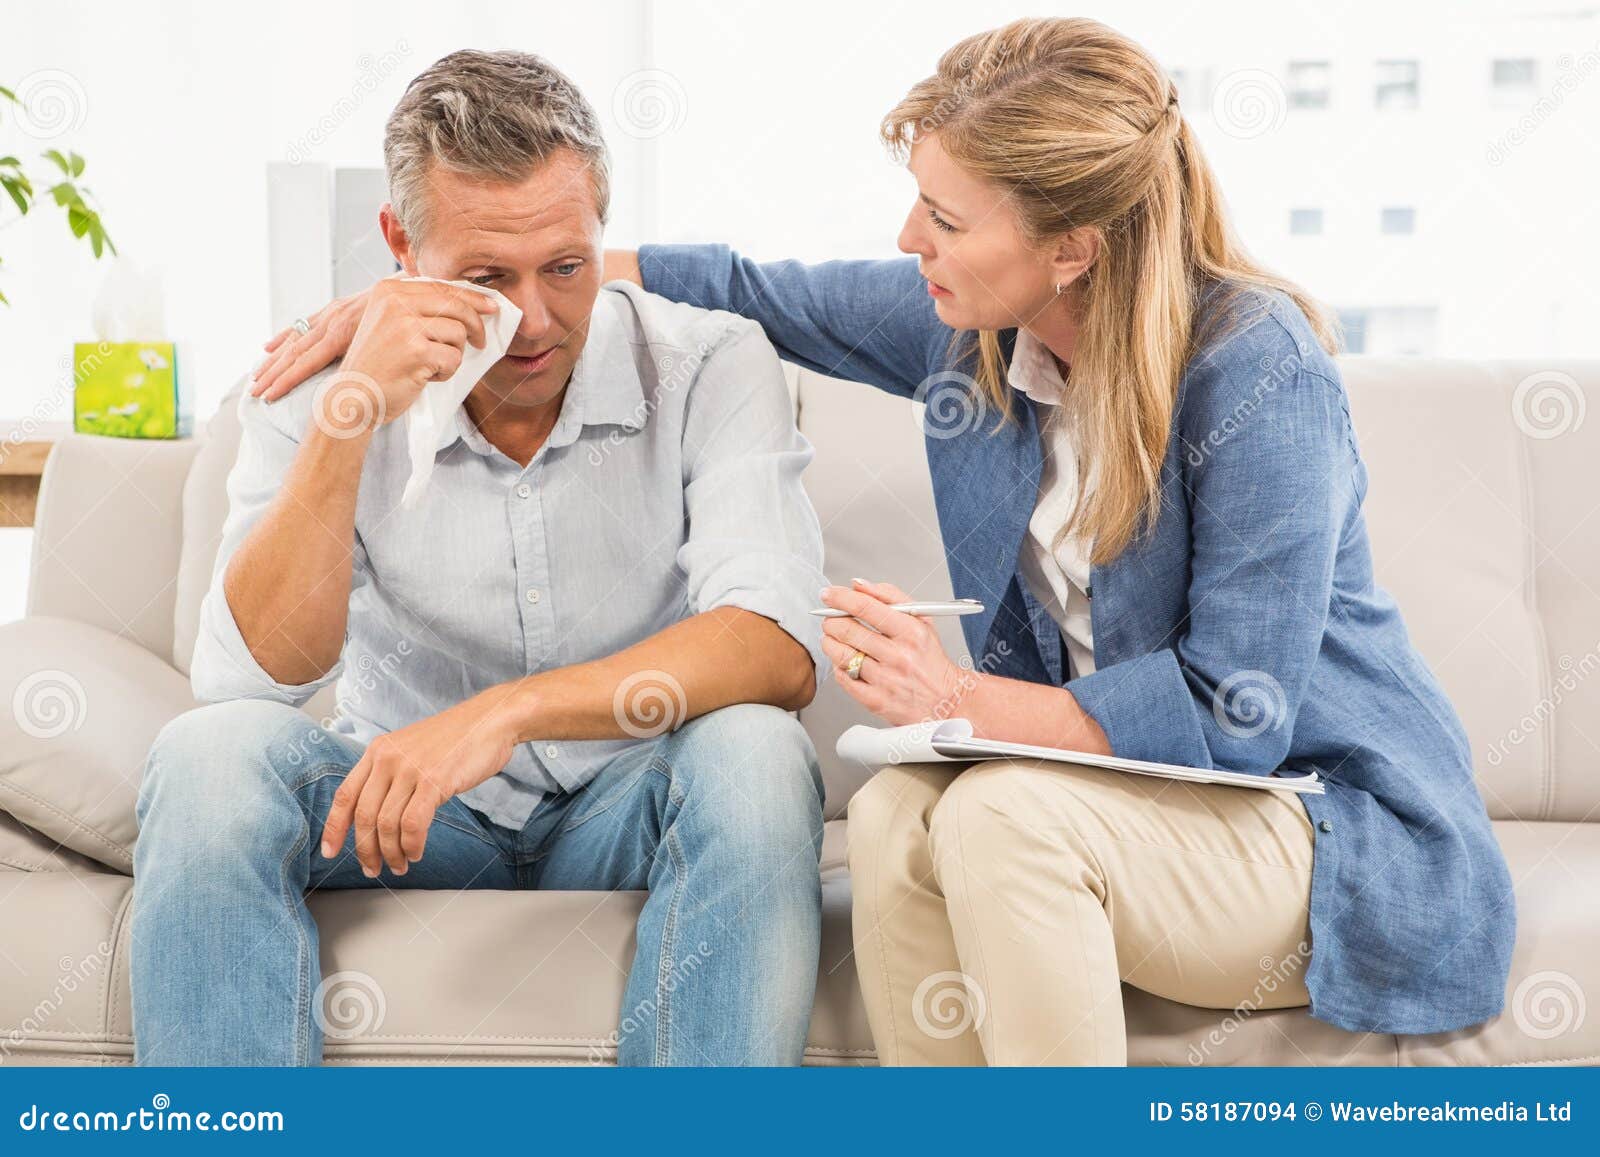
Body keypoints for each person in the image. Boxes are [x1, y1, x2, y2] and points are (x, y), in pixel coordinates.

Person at [253, 19, 1516, 1066]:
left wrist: (962, 697)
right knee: (911, 809)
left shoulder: (1255, 372)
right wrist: (431, 288)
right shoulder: (963, 331)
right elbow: (738, 284)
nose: (911, 242)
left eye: (946, 218)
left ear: (1070, 247)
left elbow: (1236, 712)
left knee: (1002, 817)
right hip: (1141, 812)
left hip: (1323, 829)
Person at [133, 49, 831, 1067]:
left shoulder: (709, 363)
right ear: (398, 244)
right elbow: (247, 678)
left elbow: (772, 645)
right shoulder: (315, 380)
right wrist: (349, 416)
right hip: (404, 817)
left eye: (566, 266)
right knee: (206, 756)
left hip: (626, 800)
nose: (535, 322)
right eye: (485, 278)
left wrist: (500, 713)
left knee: (758, 754)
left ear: (600, 225)